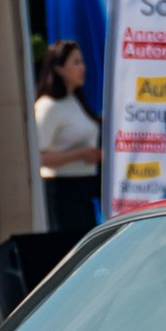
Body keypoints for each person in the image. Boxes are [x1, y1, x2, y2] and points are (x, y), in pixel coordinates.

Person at [35, 40, 102, 238]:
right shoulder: (48, 106)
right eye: (76, 62)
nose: (83, 67)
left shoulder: (76, 101)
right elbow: (38, 157)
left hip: (85, 189)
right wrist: (80, 154)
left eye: (82, 61)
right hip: (62, 192)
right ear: (59, 69)